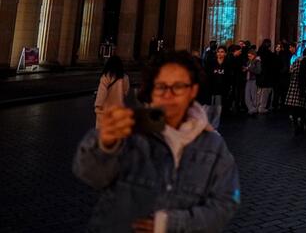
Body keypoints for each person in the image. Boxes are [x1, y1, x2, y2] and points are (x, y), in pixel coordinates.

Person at [73, 51, 240, 231]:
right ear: (151, 90)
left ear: (193, 91)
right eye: (161, 86)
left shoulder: (213, 146)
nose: (168, 95)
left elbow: (225, 204)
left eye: (178, 86)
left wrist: (169, 224)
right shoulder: (130, 135)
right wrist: (105, 144)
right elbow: (91, 175)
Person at [286, 46, 306, 134]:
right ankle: (305, 125)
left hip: (294, 88)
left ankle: (296, 125)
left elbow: (291, 70)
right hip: (304, 89)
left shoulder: (297, 60)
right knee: (304, 109)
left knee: (295, 110)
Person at [204, 46, 230, 129]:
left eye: (222, 52)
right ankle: (207, 124)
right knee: (209, 107)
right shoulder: (211, 62)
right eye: (218, 52)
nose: (220, 53)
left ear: (225, 53)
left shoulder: (227, 63)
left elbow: (229, 77)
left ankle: (215, 125)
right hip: (211, 88)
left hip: (221, 89)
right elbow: (207, 75)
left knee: (218, 108)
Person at [243, 49, 262, 114]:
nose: (249, 57)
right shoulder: (249, 61)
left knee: (254, 95)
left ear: (254, 55)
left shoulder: (257, 61)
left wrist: (248, 68)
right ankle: (251, 108)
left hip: (254, 80)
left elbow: (258, 71)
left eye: (250, 56)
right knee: (247, 95)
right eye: (248, 56)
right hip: (248, 79)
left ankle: (254, 109)